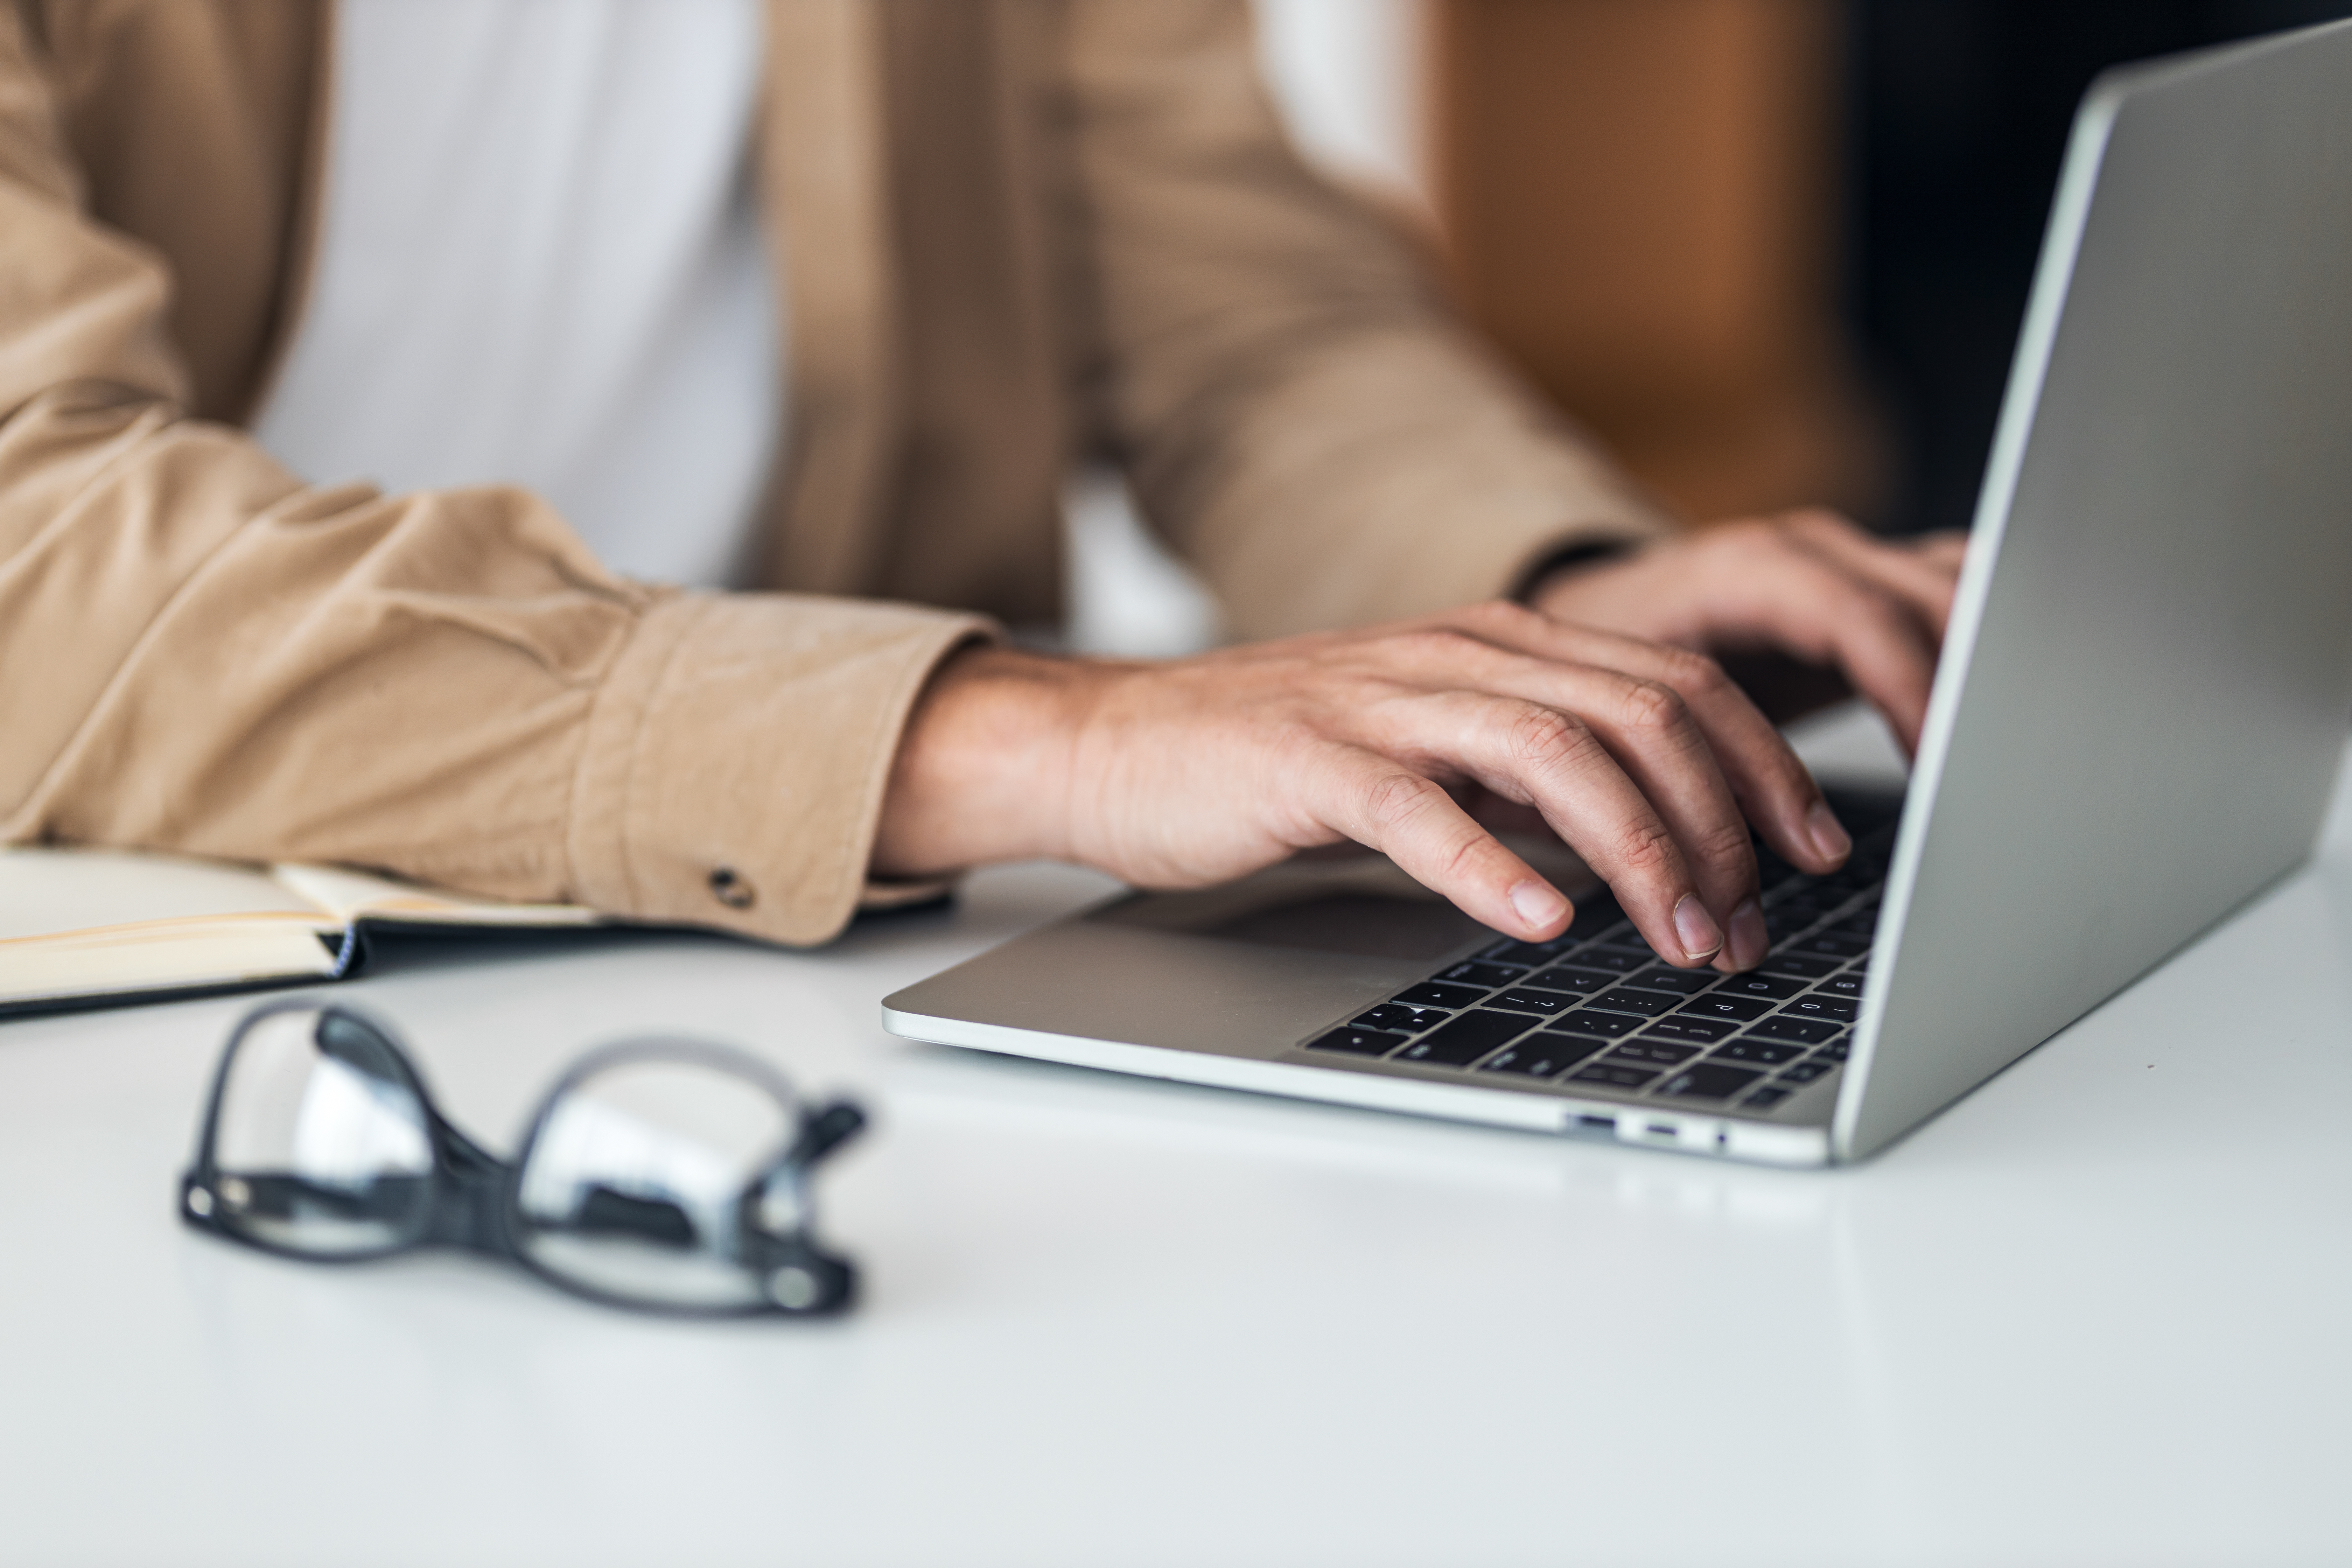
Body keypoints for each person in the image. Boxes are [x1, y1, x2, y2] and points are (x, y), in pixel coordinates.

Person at [0, 0, 1960, 975]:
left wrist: (1546, 597)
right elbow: (32, 531)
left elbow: (1240, 311)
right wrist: (1039, 736)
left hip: (802, 957)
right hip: (171, 1002)